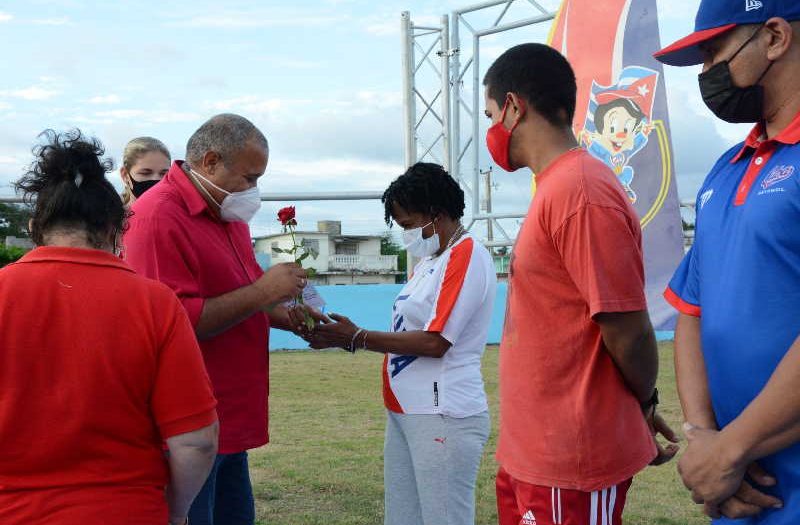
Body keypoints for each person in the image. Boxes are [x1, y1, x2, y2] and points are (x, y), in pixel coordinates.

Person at [483, 43, 678, 525]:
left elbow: (627, 329)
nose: (490, 129)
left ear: (513, 106)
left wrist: (644, 402)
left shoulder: (581, 191)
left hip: (569, 461)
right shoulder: (557, 186)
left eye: (490, 114)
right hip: (535, 453)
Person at [0, 129, 219, 525]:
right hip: (127, 509)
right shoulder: (154, 303)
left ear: (35, 228)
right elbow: (196, 441)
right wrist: (177, 511)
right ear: (114, 229)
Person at [123, 113, 313, 525]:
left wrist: (291, 316)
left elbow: (241, 297)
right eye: (249, 177)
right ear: (209, 162)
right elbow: (172, 322)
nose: (254, 191)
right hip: (188, 426)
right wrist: (265, 291)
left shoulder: (226, 215)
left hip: (227, 418)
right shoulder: (156, 217)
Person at [654, 1, 800, 522]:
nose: (705, 74)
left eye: (714, 52)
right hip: (739, 492)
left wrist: (731, 449)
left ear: (776, 37)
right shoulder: (724, 169)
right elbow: (692, 311)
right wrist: (703, 437)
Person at [308, 162, 497, 525]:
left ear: (436, 214)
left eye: (409, 224)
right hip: (406, 409)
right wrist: (347, 338)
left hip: (442, 413)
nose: (406, 234)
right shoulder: (429, 260)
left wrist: (359, 338)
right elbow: (408, 331)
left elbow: (436, 341)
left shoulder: (466, 255)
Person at [120, 136, 171, 207]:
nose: (155, 179)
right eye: (146, 173)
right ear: (125, 175)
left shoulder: (177, 214)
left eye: (163, 174)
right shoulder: (111, 216)